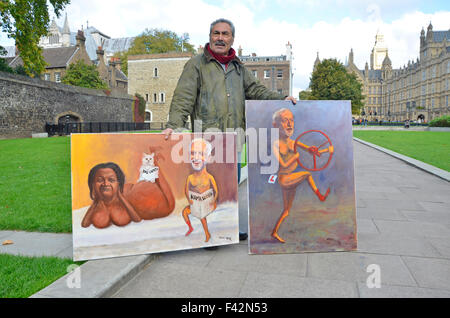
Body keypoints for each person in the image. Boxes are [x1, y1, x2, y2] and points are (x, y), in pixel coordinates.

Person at [163, 18, 297, 241]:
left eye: (225, 34)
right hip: (207, 140)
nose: (220, 38)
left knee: (230, 189)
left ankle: (228, 228)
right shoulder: (196, 64)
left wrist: (281, 98)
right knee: (208, 189)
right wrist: (174, 125)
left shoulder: (238, 68)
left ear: (232, 39)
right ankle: (208, 233)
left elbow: (256, 90)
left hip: (233, 141)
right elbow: (183, 97)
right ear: (209, 36)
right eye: (216, 33)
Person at [271, 108, 333, 243]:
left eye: (291, 120)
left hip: (290, 179)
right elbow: (284, 164)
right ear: (276, 125)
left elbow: (313, 151)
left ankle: (274, 232)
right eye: (285, 121)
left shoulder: (294, 142)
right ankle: (320, 196)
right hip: (284, 179)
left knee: (286, 210)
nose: (289, 124)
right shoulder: (276, 144)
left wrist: (326, 150)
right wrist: (295, 157)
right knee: (306, 174)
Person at [82, 162, 141, 229]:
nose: (106, 184)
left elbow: (137, 220)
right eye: (100, 180)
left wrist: (120, 196)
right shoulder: (95, 206)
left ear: (118, 183)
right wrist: (96, 200)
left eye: (111, 180)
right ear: (93, 184)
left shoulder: (127, 200)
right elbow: (84, 224)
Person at [182, 138, 219, 242]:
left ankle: (207, 234)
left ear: (208, 157)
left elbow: (216, 191)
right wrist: (190, 201)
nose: (196, 157)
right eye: (193, 153)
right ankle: (190, 227)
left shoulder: (209, 177)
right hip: (197, 203)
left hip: (208, 203)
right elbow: (186, 191)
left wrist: (213, 200)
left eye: (200, 153)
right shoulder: (190, 178)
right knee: (185, 212)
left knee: (202, 215)